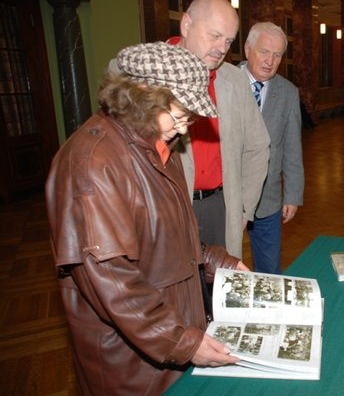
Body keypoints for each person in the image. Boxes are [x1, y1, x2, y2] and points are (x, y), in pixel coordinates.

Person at [45, 42, 248, 395]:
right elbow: (112, 280)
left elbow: (164, 236)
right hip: (130, 363)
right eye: (180, 115)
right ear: (142, 96)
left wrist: (218, 261)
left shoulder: (152, 144)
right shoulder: (92, 164)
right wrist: (181, 341)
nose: (184, 129)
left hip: (163, 338)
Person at [170, 0, 270, 259]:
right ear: (186, 24)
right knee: (178, 295)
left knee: (220, 293)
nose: (221, 48)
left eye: (228, 41)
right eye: (214, 35)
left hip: (221, 207)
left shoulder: (235, 80)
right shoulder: (147, 74)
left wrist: (243, 209)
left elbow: (258, 147)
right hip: (169, 210)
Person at [239, 22, 304, 274]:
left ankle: (266, 313)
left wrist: (293, 194)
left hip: (269, 197)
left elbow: (291, 147)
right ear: (247, 49)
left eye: (277, 55)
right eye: (264, 52)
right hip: (226, 198)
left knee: (269, 271)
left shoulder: (288, 92)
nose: (270, 61)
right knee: (223, 268)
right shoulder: (224, 83)